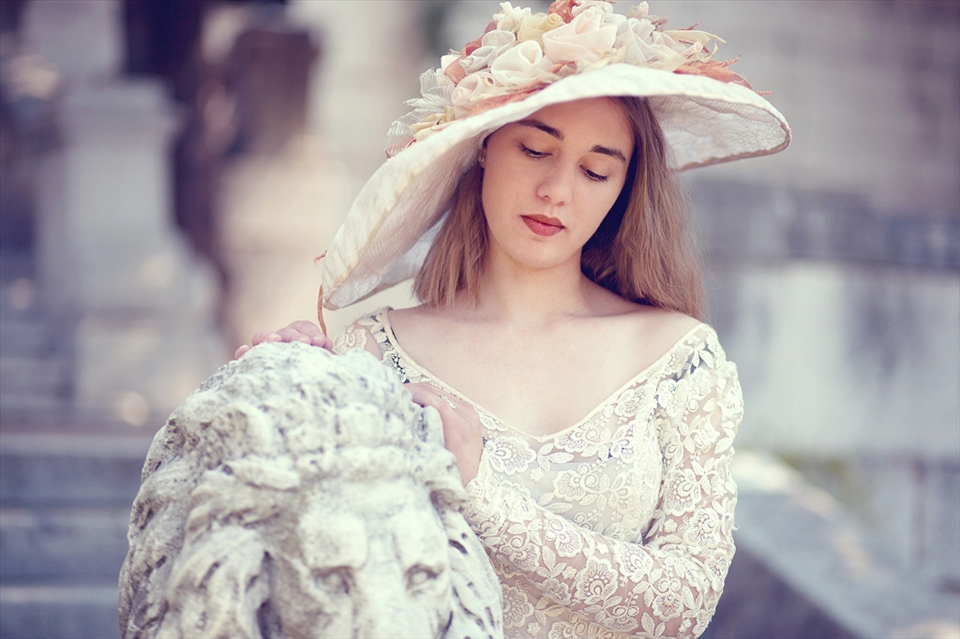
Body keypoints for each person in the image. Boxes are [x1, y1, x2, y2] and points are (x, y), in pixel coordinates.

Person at [235, 1, 790, 637]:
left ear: (622, 190)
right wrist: (284, 395)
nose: (558, 190)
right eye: (534, 149)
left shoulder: (680, 358)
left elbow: (684, 604)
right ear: (483, 151)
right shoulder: (379, 350)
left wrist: (480, 492)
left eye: (595, 170)